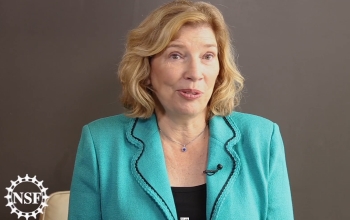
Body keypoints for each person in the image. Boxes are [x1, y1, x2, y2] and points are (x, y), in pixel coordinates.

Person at [68, 0, 294, 219]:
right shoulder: (101, 144)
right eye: (176, 55)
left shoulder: (262, 139)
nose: (195, 73)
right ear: (146, 70)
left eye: (207, 56)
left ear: (220, 69)